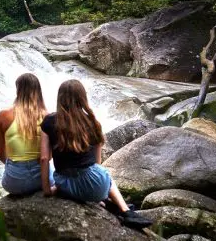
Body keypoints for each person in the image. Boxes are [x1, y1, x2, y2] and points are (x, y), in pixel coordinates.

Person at [40, 79, 152, 228]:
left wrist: (47, 190)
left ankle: (107, 202)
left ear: (60, 98)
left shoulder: (48, 121)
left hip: (66, 184)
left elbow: (44, 158)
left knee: (64, 177)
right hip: (97, 185)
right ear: (82, 98)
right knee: (103, 173)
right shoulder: (92, 122)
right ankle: (125, 210)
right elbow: (97, 163)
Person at [0, 73, 54, 195]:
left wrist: (18, 167)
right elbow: (50, 155)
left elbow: (1, 154)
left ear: (18, 90)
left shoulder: (4, 116)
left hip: (14, 182)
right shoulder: (47, 116)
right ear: (38, 91)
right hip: (41, 180)